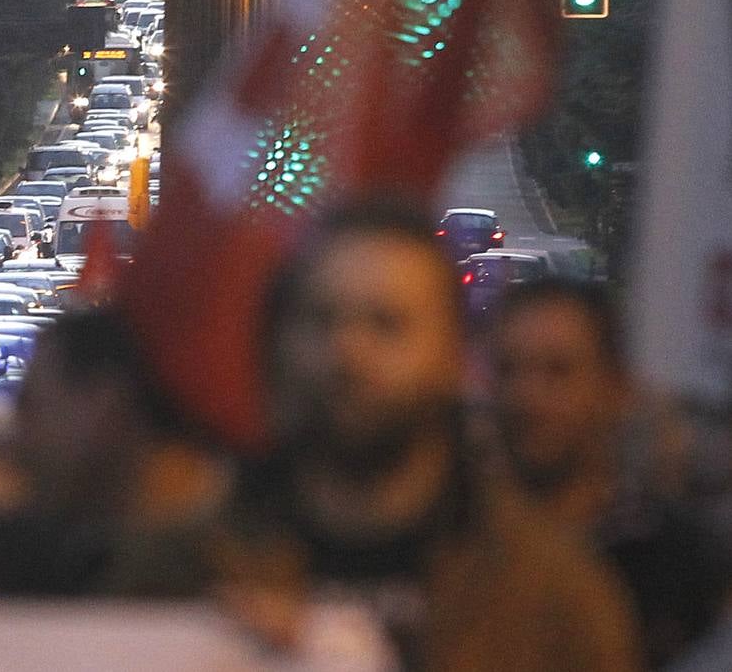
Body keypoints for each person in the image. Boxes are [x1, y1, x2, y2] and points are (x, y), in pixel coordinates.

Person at [227, 201, 642, 671]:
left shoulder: (553, 600)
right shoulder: (194, 568)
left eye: (387, 324)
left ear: (453, 356)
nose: (347, 352)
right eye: (321, 319)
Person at [490, 279, 732, 668]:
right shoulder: (451, 542)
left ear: (615, 389)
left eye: (558, 371)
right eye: (509, 369)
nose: (527, 396)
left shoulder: (683, 562)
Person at [10, 309, 234, 597]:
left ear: (105, 403)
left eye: (31, 405)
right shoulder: (89, 542)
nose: (16, 434)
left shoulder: (213, 564)